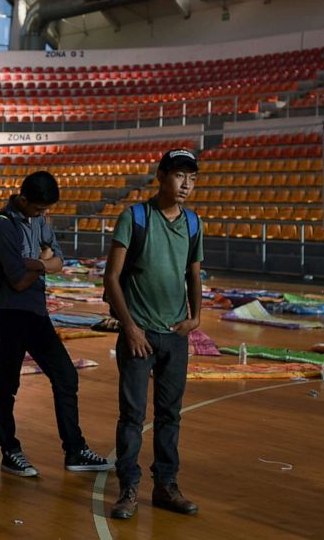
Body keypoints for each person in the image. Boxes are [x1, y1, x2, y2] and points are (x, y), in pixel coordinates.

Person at [0, 171, 112, 477]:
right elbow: (16, 280)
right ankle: (10, 450)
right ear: (23, 199)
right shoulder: (1, 226)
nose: (43, 215)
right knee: (8, 383)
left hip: (38, 314)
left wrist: (38, 263)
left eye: (46, 210)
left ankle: (75, 449)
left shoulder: (40, 220)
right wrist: (44, 263)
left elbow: (60, 260)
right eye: (38, 209)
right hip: (11, 314)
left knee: (66, 377)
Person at [103, 149, 204, 519]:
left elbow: (193, 273)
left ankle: (165, 486)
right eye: (179, 175)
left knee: (169, 415)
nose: (186, 183)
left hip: (175, 335)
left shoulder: (194, 223)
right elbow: (111, 277)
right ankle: (129, 487)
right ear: (161, 176)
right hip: (139, 334)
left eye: (192, 177)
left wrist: (196, 318)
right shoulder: (134, 217)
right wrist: (130, 327)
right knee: (131, 415)